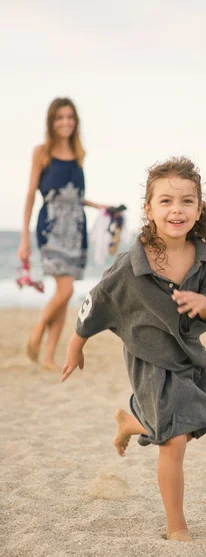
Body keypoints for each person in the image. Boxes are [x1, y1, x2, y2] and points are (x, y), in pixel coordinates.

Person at [61, 157, 206, 542]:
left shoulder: (205, 260)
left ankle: (131, 422)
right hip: (148, 358)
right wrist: (76, 344)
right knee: (175, 440)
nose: (176, 209)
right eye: (165, 201)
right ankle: (177, 526)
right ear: (148, 209)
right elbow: (97, 300)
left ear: (198, 209)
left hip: (188, 357)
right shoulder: (132, 264)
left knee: (184, 429)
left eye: (186, 201)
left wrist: (205, 305)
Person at [17, 97, 110, 371]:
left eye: (70, 117)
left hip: (76, 228)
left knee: (65, 293)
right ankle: (38, 329)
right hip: (52, 226)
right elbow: (31, 196)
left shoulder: (79, 153)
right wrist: (24, 238)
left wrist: (98, 206)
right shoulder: (41, 152)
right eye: (60, 117)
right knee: (66, 289)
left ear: (75, 122)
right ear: (52, 122)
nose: (65, 122)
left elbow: (74, 196)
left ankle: (47, 358)